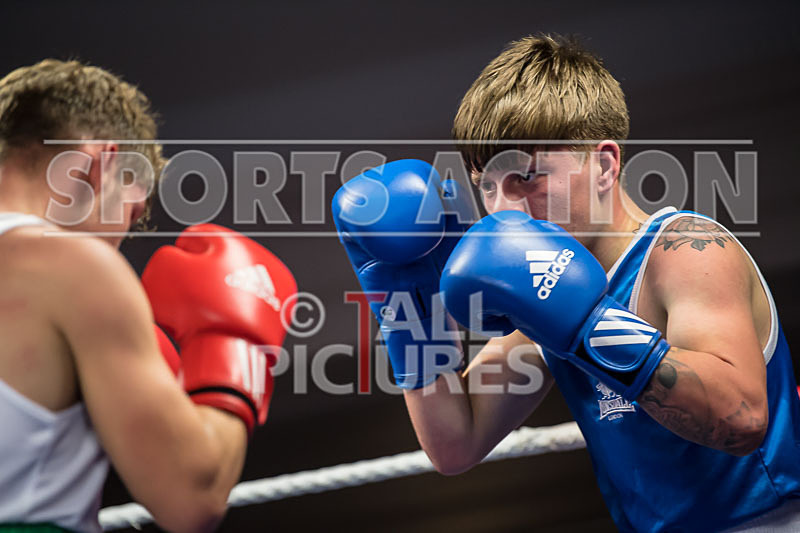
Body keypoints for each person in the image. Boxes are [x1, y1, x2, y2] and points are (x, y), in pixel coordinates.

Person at [333, 36, 800, 532]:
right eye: (486, 185)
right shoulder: (539, 291)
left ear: (603, 165)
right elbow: (456, 443)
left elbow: (743, 418)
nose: (503, 208)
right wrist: (410, 302)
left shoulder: (685, 252)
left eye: (527, 178)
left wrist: (589, 325)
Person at [0, 60, 296, 533]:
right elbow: (192, 498)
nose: (120, 241)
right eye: (131, 213)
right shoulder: (75, 268)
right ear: (100, 164)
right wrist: (231, 346)